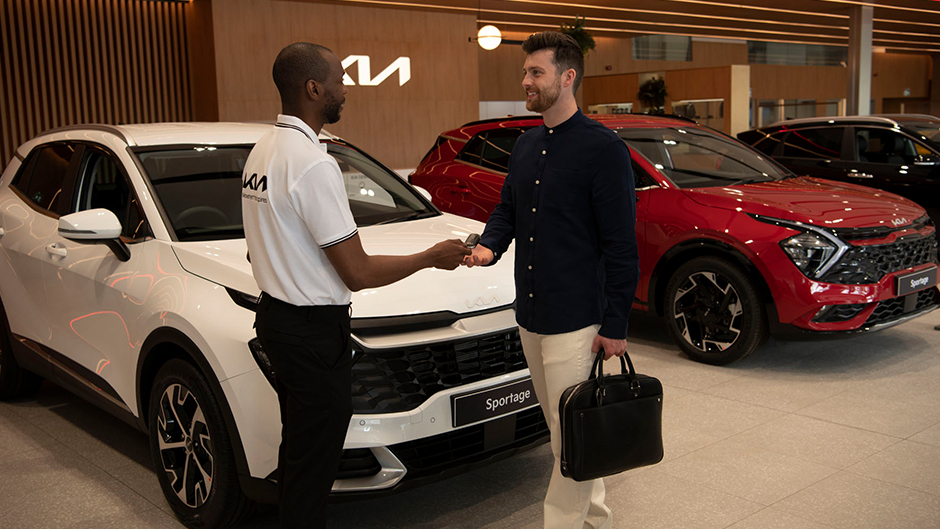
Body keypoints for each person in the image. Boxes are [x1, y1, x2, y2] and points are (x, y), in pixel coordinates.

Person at [241, 42, 470, 528]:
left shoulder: (262, 150)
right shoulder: (312, 163)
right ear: (313, 88)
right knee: (314, 462)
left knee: (300, 450)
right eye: (340, 80)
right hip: (311, 334)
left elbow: (257, 244)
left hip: (277, 320)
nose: (345, 90)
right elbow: (358, 272)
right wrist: (431, 257)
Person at [464, 31, 639, 529]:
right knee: (568, 431)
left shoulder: (603, 149)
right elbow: (507, 209)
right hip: (531, 316)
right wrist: (488, 246)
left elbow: (621, 246)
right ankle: (597, 519)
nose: (526, 81)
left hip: (577, 321)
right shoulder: (526, 144)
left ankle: (560, 523)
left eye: (535, 72)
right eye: (525, 72)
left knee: (569, 439)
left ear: (568, 77)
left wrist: (616, 323)